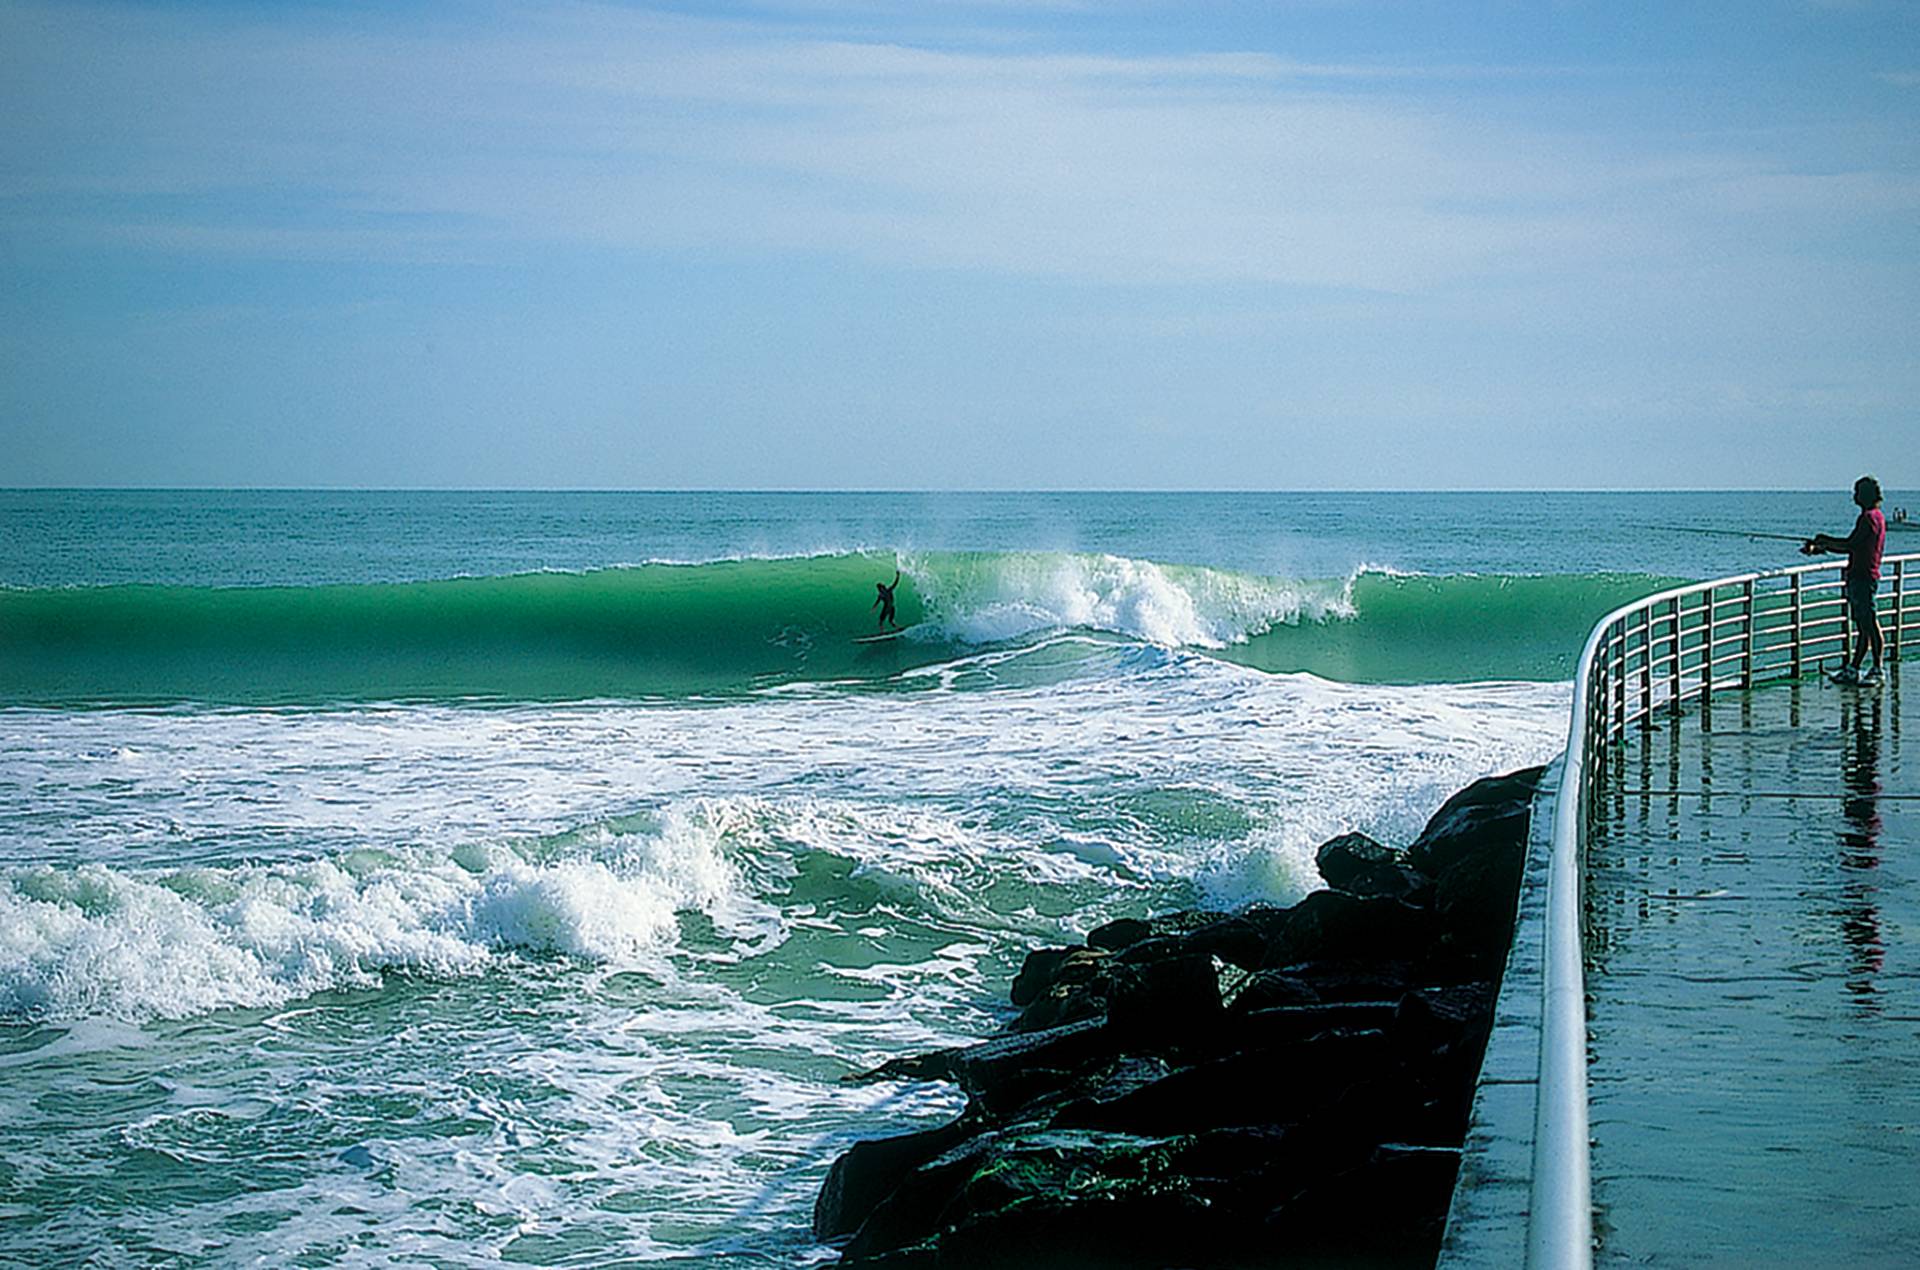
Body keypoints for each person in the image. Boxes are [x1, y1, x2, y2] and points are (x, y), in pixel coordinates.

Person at [1802, 476, 1886, 684]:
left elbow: (1851, 544)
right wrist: (1823, 546)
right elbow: (1855, 546)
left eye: (1857, 492)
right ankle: (1854, 668)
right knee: (1864, 624)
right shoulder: (1878, 517)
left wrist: (1824, 541)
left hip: (1863, 577)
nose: (1854, 496)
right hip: (1864, 575)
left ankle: (1877, 668)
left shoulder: (1868, 518)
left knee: (1868, 624)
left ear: (1865, 495)